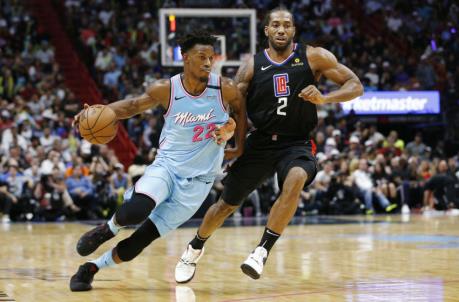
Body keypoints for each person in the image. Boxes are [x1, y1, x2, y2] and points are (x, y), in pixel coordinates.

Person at [175, 6, 364, 282]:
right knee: (225, 206)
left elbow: (355, 84)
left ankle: (262, 250)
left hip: (297, 143)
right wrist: (231, 139)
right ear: (266, 30)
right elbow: (235, 108)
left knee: (296, 178)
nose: (281, 30)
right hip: (260, 142)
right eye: (275, 25)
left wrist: (325, 98)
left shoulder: (314, 56)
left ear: (293, 30)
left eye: (286, 25)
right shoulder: (252, 65)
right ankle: (195, 247)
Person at [69, 30, 246, 291]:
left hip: (199, 181)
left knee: (137, 243)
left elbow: (241, 112)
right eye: (201, 57)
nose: (208, 62)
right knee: (136, 209)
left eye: (211, 57)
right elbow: (130, 106)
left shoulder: (225, 89)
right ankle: (106, 229)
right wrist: (92, 114)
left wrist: (238, 146)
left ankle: (91, 268)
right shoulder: (166, 89)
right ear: (185, 58)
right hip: (167, 167)